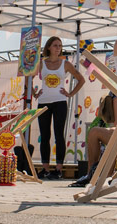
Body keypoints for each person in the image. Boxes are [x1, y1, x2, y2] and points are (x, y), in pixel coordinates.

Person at [33, 37, 86, 180]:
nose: (58, 48)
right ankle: (45, 168)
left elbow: (81, 79)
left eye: (60, 46)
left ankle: (58, 169)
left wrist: (70, 94)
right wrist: (34, 93)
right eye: (55, 45)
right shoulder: (41, 64)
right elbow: (28, 77)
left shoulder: (65, 63)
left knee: (58, 135)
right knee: (45, 136)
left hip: (60, 101)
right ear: (49, 47)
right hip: (43, 102)